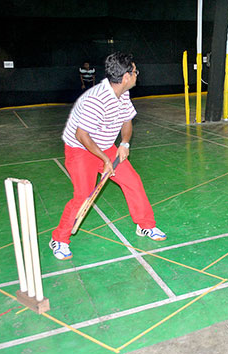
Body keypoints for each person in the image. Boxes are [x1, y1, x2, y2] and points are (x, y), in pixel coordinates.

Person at [51, 52, 166, 260]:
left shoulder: (122, 93)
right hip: (80, 149)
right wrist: (105, 160)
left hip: (105, 146)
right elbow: (81, 135)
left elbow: (127, 121)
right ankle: (59, 239)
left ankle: (145, 225)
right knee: (82, 196)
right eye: (135, 72)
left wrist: (124, 143)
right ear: (125, 77)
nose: (137, 75)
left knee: (133, 181)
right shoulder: (96, 100)